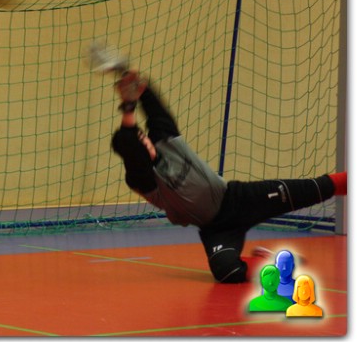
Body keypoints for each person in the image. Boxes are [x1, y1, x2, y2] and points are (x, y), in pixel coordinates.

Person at [110, 68, 347, 283]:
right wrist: (128, 108)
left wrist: (139, 89)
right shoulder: (143, 180)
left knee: (318, 188)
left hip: (240, 198)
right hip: (216, 229)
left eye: (143, 135)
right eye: (141, 141)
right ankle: (270, 262)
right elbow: (132, 152)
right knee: (227, 272)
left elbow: (155, 110)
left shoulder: (164, 139)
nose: (146, 139)